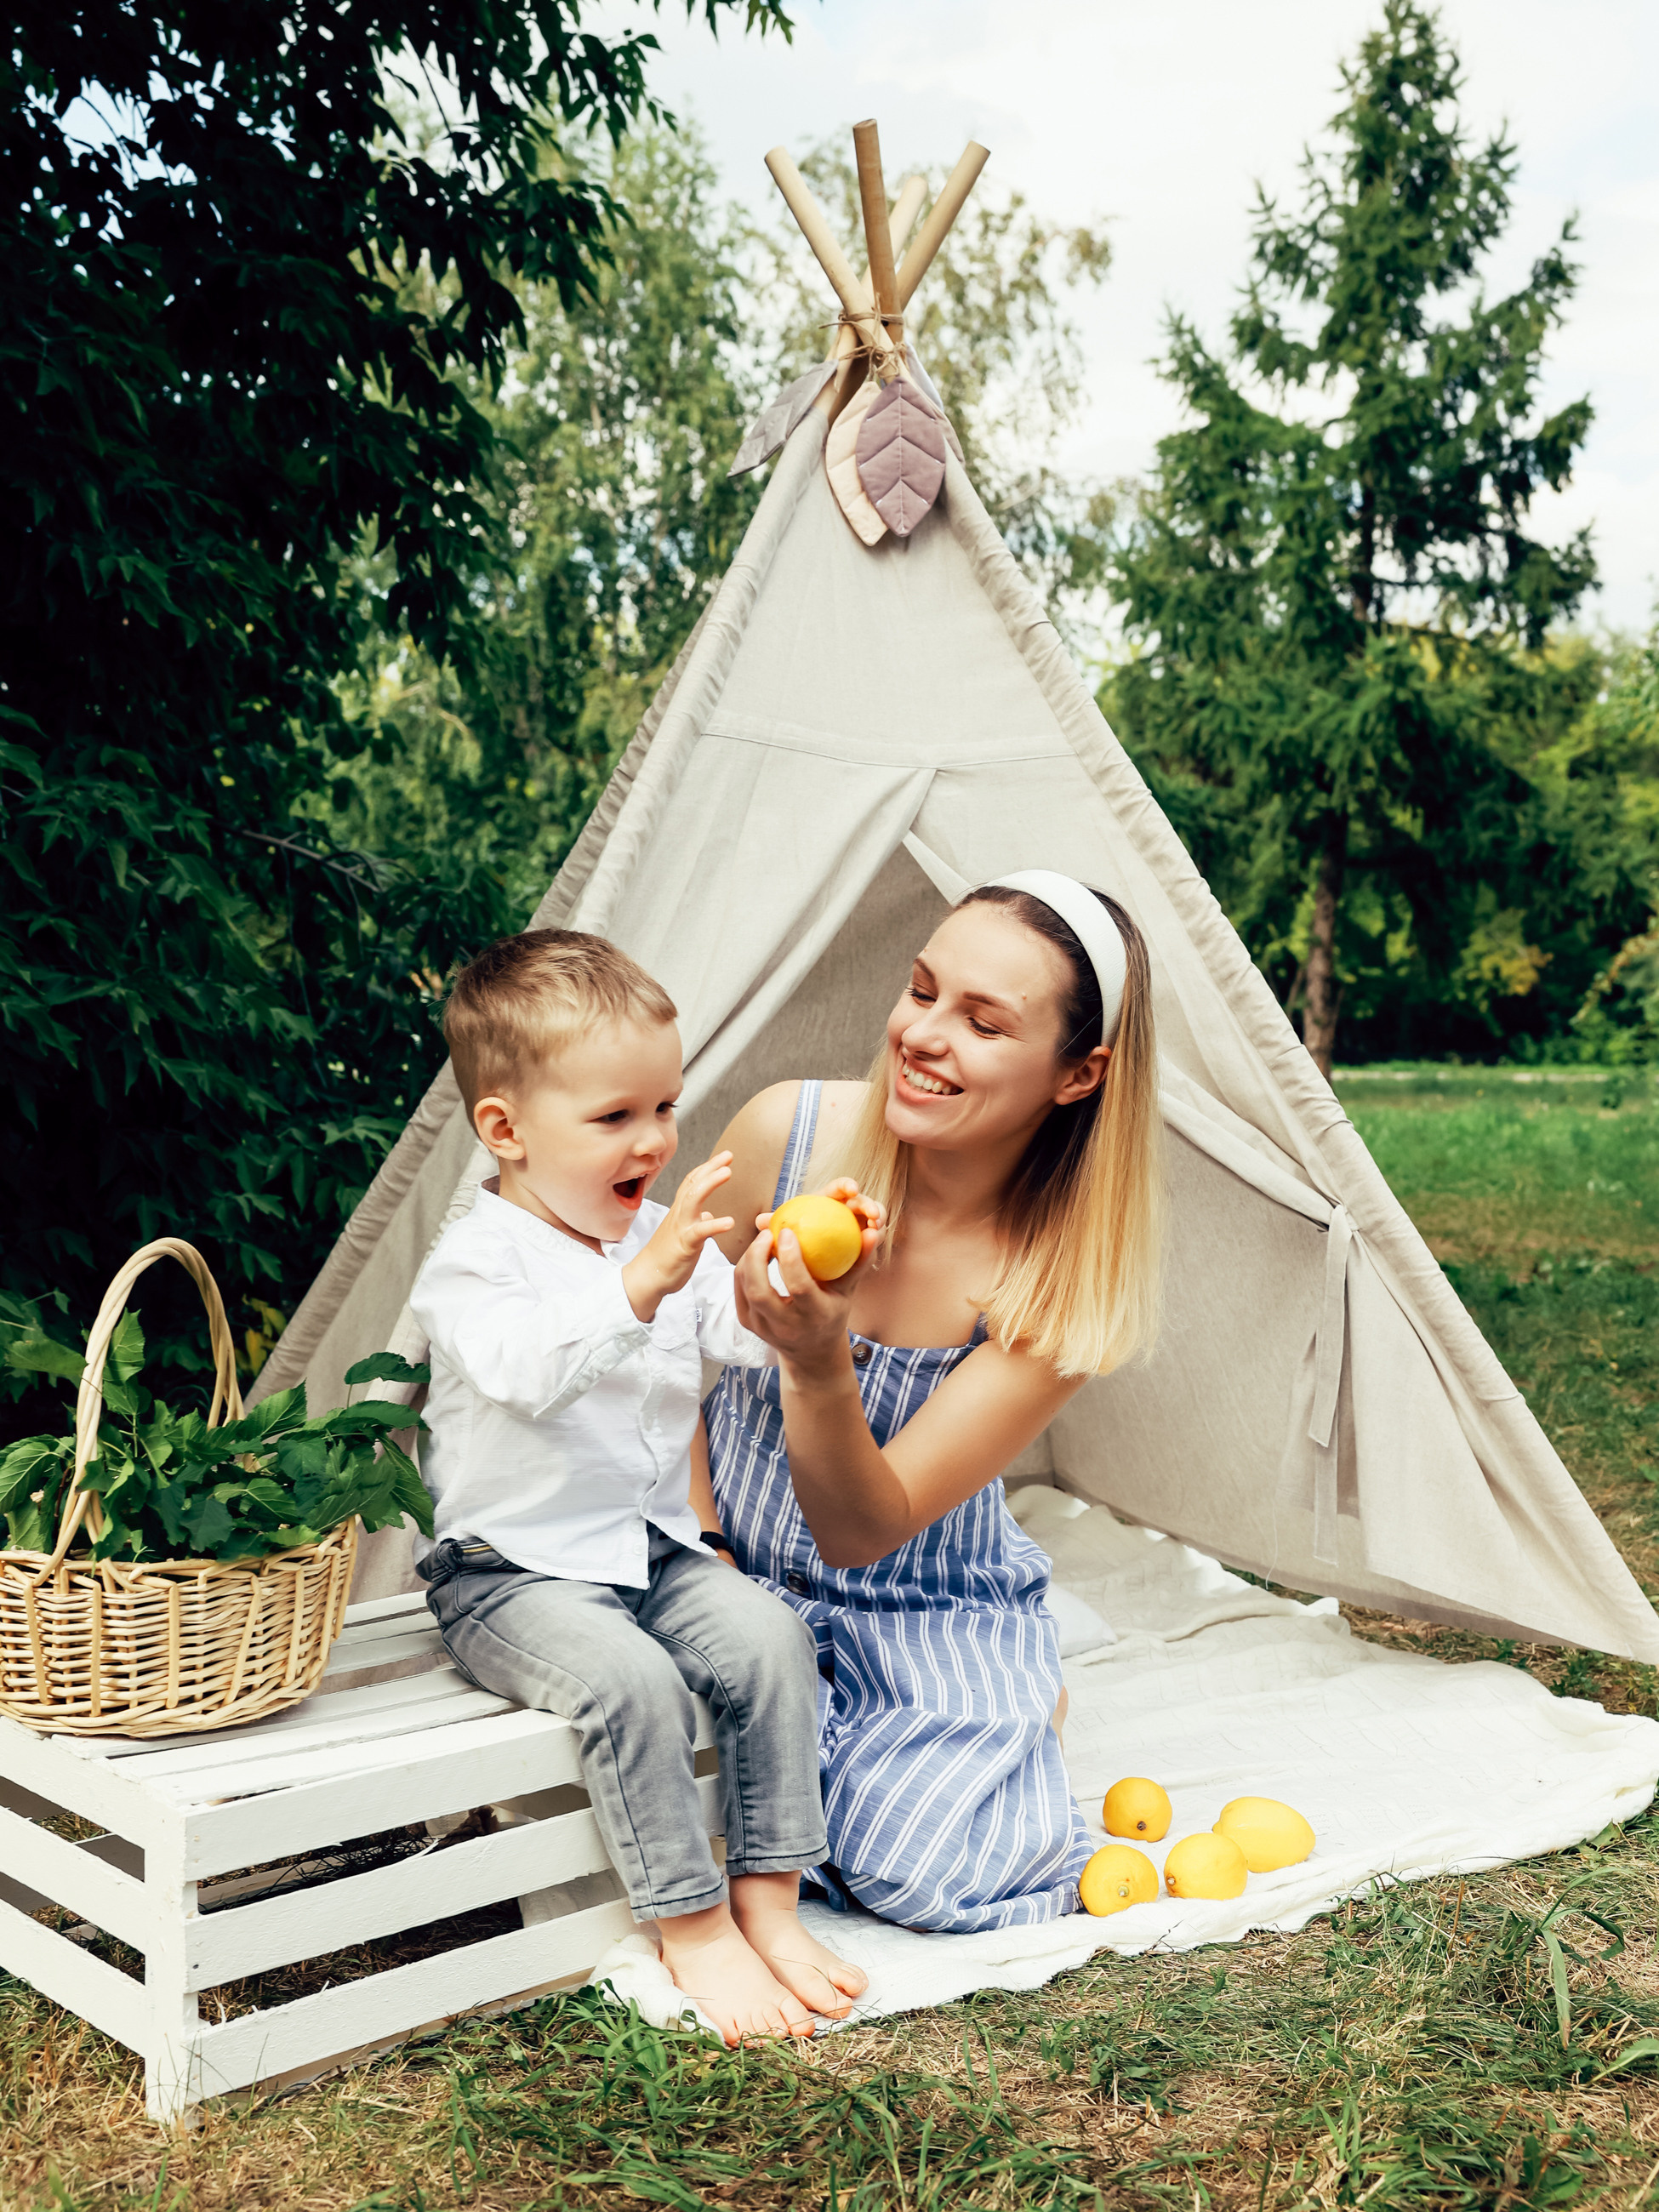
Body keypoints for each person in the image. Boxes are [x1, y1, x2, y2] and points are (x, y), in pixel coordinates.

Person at [409, 930, 868, 2044]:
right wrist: (640, 1285)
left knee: (770, 1637)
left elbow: (742, 1336)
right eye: (614, 1116)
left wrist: (797, 1269)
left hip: (647, 1546)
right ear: (506, 1131)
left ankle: (770, 1898)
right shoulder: (474, 1263)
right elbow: (526, 1369)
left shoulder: (656, 1236)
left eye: (663, 1106)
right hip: (507, 1572)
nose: (654, 1139)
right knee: (633, 1683)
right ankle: (693, 1926)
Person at [704, 873, 1165, 1931]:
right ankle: (979, 1719)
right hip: (727, 1563)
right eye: (922, 990)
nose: (922, 1034)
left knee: (924, 1867)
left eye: (984, 1022)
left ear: (1079, 1073)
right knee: (669, 1787)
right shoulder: (788, 1135)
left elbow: (861, 1530)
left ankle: (1004, 1689)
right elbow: (657, 1368)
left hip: (915, 1594)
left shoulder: (1053, 1285)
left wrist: (817, 1362)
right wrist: (706, 1544)